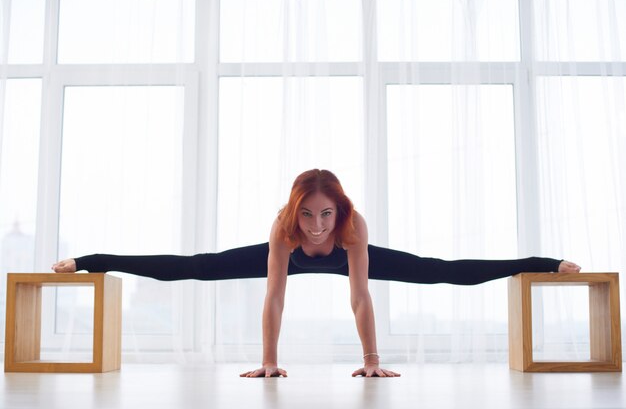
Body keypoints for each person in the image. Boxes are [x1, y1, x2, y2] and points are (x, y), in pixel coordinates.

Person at [53, 169, 581, 378]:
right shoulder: (284, 230)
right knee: (195, 267)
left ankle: (545, 262)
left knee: (440, 272)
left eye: (325, 214)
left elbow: (358, 297)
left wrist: (371, 360)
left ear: (340, 213)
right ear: (295, 212)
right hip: (280, 260)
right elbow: (276, 297)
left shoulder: (351, 228)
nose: (316, 226)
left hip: (355, 259)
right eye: (308, 214)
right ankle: (90, 259)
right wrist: (268, 361)